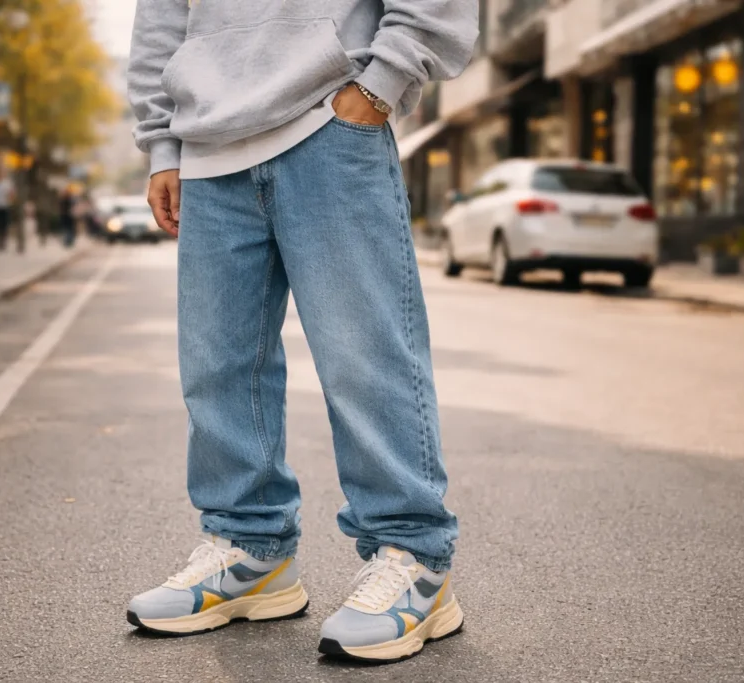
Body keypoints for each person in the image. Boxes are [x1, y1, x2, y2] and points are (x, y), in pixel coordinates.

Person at [127, 0, 478, 663]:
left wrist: (381, 85)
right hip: (207, 145)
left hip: (330, 123)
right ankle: (250, 551)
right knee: (218, 367)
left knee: (365, 357)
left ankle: (416, 558)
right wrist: (161, 142)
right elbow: (161, 19)